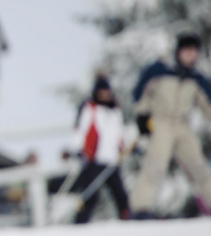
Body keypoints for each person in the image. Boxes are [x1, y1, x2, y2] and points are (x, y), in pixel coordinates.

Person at [129, 32, 211, 218]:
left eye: (194, 52)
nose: (191, 56)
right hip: (160, 122)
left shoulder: (196, 79)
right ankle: (140, 209)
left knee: (199, 166)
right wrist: (142, 116)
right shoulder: (160, 71)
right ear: (179, 51)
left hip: (181, 124)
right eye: (187, 51)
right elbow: (140, 94)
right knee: (155, 165)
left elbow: (207, 104)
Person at [69, 75, 130, 223]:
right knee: (91, 195)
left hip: (112, 161)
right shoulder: (90, 109)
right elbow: (80, 130)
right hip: (94, 160)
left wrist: (122, 145)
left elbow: (119, 132)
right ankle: (80, 223)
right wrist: (78, 149)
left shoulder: (115, 111)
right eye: (101, 93)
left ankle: (128, 219)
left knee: (120, 194)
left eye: (106, 93)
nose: (104, 96)